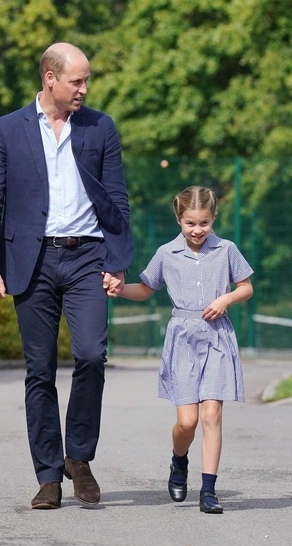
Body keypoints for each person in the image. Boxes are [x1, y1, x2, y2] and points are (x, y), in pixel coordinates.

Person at [0, 42, 134, 510]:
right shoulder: (6, 130)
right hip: (32, 261)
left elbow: (117, 199)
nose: (84, 89)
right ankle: (48, 475)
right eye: (76, 81)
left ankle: (78, 457)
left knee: (90, 355)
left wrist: (116, 260)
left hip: (88, 257)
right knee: (39, 371)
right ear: (49, 77)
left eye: (86, 81)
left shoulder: (100, 127)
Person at [119, 186, 253, 514]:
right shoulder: (167, 253)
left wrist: (226, 299)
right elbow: (147, 289)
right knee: (187, 422)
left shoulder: (227, 249)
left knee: (211, 414)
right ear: (179, 219)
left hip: (218, 338)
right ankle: (179, 462)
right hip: (182, 339)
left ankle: (208, 490)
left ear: (214, 218)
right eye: (190, 223)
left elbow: (246, 287)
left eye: (204, 223)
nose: (197, 230)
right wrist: (118, 289)